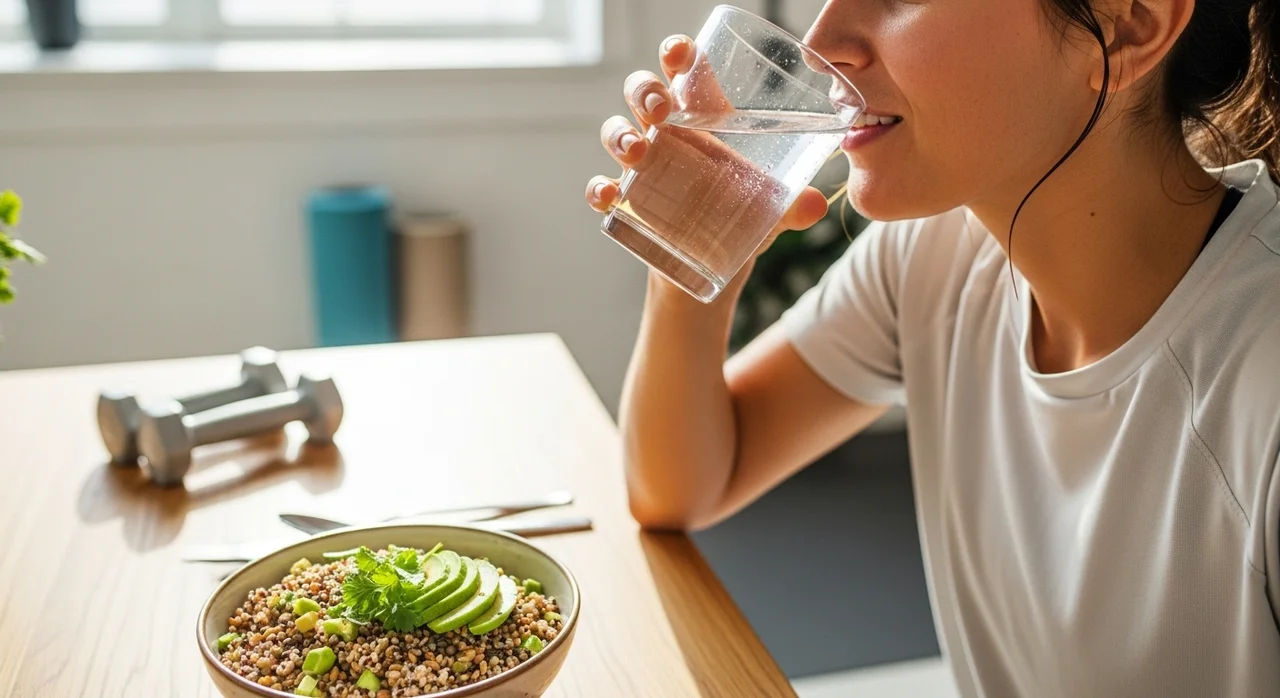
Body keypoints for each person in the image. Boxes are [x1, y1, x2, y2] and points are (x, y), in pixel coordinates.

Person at [584, 0, 1280, 695]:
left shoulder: (1261, 382)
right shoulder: (934, 255)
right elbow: (679, 489)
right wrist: (692, 254)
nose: (823, 44)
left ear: (1130, 25)